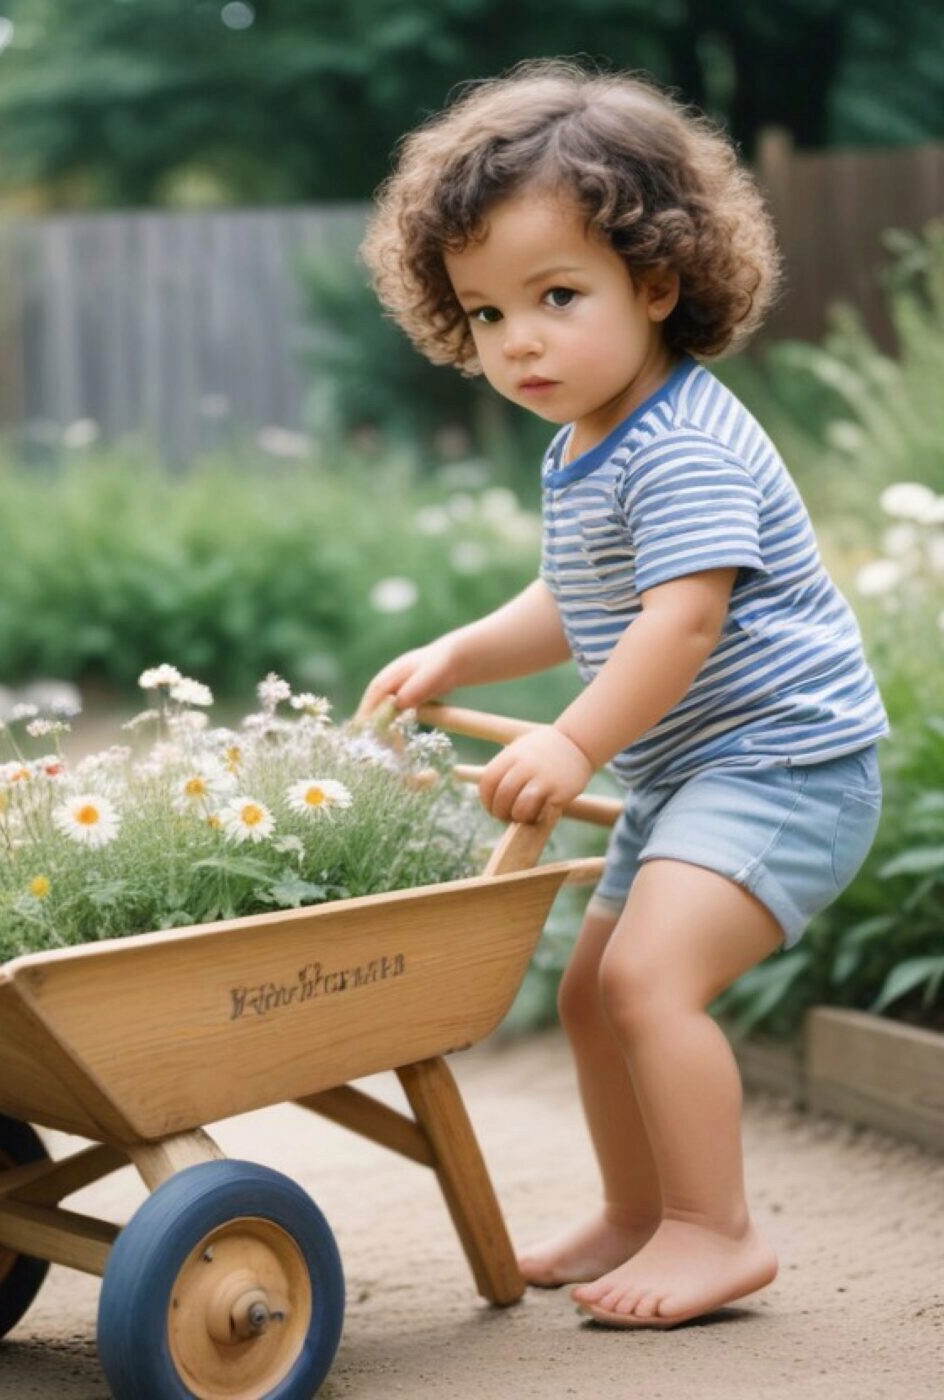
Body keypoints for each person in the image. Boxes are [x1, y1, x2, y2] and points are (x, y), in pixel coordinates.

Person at [355, 58, 889, 1329]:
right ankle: (635, 1206)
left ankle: (716, 1229)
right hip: (691, 771)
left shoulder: (687, 442)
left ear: (656, 284)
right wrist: (457, 654)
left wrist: (574, 735)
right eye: (484, 314)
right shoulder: (584, 439)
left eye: (553, 296)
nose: (516, 340)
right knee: (592, 993)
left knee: (649, 981)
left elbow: (681, 620)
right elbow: (575, 597)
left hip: (782, 765)